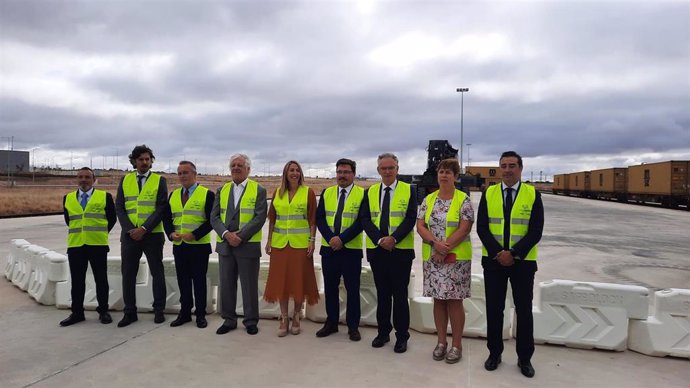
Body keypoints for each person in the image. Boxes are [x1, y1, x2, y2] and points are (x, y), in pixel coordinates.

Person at [477, 151, 544, 378]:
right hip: (494, 262)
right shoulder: (489, 193)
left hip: (523, 263)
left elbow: (536, 231)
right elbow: (482, 228)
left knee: (524, 311)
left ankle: (524, 358)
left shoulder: (532, 194)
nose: (507, 169)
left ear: (520, 168)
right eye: (503, 165)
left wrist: (514, 253)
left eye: (512, 165)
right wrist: (499, 253)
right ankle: (494, 353)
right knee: (494, 310)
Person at [415, 159, 474, 364]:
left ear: (456, 176)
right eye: (441, 171)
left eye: (449, 172)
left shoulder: (463, 200)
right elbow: (420, 225)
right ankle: (441, 342)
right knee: (438, 301)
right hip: (433, 259)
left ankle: (456, 345)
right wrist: (434, 244)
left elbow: (464, 227)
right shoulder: (428, 200)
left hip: (456, 259)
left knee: (454, 302)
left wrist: (444, 247)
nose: (444, 175)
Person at [359, 153, 417, 353]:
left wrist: (393, 239)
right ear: (378, 171)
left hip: (400, 251)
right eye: (383, 168)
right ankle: (383, 332)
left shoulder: (409, 190)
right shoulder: (370, 191)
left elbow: (410, 219)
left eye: (391, 168)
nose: (387, 171)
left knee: (400, 295)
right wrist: (380, 239)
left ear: (397, 169)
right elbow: (365, 219)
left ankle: (402, 336)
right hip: (378, 251)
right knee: (382, 294)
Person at [211, 154, 267, 336]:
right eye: (233, 165)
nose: (236, 168)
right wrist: (227, 235)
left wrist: (240, 236)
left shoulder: (258, 190)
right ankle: (229, 320)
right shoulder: (222, 190)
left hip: (247, 245)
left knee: (249, 285)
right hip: (226, 245)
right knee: (227, 284)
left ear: (248, 169)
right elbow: (214, 217)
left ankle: (250, 321)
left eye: (240, 165)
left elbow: (259, 217)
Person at [264, 160, 319, 337]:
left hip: (300, 245)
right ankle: (284, 317)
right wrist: (269, 241)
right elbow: (272, 219)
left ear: (300, 173)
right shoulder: (277, 193)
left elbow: (312, 220)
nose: (294, 173)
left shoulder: (308, 193)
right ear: (285, 174)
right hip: (280, 245)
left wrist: (312, 241)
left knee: (297, 281)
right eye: (291, 170)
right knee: (281, 282)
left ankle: (296, 316)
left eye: (297, 170)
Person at [115, 144, 168, 327]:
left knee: (157, 272)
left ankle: (159, 309)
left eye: (147, 159)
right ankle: (130, 312)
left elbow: (161, 208)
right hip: (130, 236)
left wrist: (144, 228)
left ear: (151, 161)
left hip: (152, 235)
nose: (144, 162)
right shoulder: (125, 180)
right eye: (141, 159)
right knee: (128, 274)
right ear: (134, 161)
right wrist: (131, 229)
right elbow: (120, 207)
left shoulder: (159, 180)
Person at [315, 158, 364, 341]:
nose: (342, 175)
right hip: (329, 250)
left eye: (346, 172)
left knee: (352, 290)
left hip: (350, 249)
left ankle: (353, 326)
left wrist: (342, 239)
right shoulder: (327, 193)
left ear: (353, 174)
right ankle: (332, 323)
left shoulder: (362, 194)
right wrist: (331, 238)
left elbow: (361, 221)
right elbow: (320, 219)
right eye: (339, 172)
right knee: (330, 288)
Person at [60, 167, 117, 326]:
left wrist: (100, 234)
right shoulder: (68, 198)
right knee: (77, 281)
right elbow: (69, 220)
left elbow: (112, 219)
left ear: (93, 180)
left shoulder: (104, 197)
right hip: (76, 245)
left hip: (97, 244)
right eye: (80, 177)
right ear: (77, 179)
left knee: (101, 279)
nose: (84, 180)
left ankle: (103, 311)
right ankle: (77, 313)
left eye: (87, 177)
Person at [162, 161, 215, 329]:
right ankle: (185, 312)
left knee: (199, 281)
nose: (182, 176)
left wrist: (195, 235)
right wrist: (170, 234)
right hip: (180, 246)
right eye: (179, 173)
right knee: (183, 281)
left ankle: (200, 314)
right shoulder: (174, 195)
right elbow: (167, 219)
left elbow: (212, 221)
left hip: (199, 246)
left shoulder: (207, 194)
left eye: (185, 172)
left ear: (194, 174)